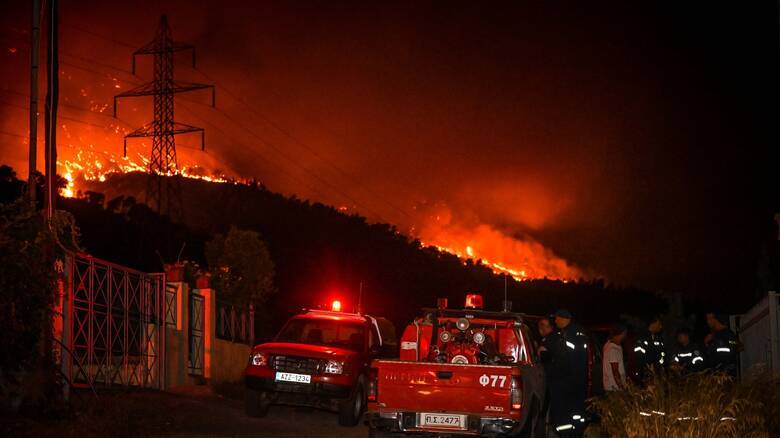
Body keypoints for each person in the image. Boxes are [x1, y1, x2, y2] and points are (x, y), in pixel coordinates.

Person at [547, 309, 589, 435]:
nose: (555, 321)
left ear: (564, 319)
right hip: (577, 379)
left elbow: (563, 359)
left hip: (566, 380)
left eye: (557, 318)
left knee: (564, 410)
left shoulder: (566, 335)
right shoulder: (579, 332)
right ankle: (577, 430)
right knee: (576, 410)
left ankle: (566, 432)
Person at [704, 313, 739, 377]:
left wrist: (724, 343)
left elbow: (738, 345)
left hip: (726, 374)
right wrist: (706, 343)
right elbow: (711, 354)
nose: (708, 322)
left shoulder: (728, 333)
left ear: (715, 319)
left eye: (709, 319)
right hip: (716, 373)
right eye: (707, 319)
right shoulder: (713, 336)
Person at [632, 315, 665, 381]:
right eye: (659, 324)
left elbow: (661, 353)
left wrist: (661, 366)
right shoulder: (642, 337)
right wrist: (647, 368)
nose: (661, 326)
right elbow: (638, 356)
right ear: (653, 324)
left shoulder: (657, 338)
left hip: (657, 373)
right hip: (645, 374)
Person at [602, 324, 627, 391]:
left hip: (611, 386)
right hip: (614, 388)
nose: (625, 336)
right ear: (622, 333)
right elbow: (615, 370)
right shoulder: (613, 349)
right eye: (625, 333)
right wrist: (621, 386)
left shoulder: (608, 344)